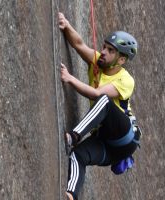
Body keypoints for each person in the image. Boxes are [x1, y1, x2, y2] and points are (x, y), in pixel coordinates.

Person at [59, 12, 141, 200]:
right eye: (104, 47)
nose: (103, 52)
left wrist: (70, 79)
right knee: (78, 155)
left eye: (110, 50)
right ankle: (71, 195)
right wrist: (66, 25)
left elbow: (97, 94)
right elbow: (79, 44)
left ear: (121, 60)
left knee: (103, 100)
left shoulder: (126, 80)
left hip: (124, 137)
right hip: (107, 145)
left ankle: (73, 135)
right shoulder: (98, 62)